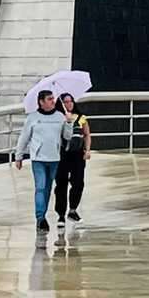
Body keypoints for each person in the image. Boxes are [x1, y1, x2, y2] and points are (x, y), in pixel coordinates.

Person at [13, 89, 65, 230]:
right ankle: (40, 218)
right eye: (49, 99)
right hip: (38, 158)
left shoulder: (60, 116)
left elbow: (66, 136)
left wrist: (70, 123)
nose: (53, 101)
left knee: (48, 188)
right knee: (40, 187)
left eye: (53, 98)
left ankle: (44, 214)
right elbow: (24, 137)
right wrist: (19, 156)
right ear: (41, 102)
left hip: (55, 157)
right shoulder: (33, 117)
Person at [52, 94, 93, 226]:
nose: (69, 104)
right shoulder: (58, 118)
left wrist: (87, 150)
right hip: (62, 155)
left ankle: (73, 209)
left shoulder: (81, 118)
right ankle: (61, 215)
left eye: (71, 101)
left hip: (77, 155)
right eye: (66, 102)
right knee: (61, 184)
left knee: (78, 183)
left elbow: (86, 135)